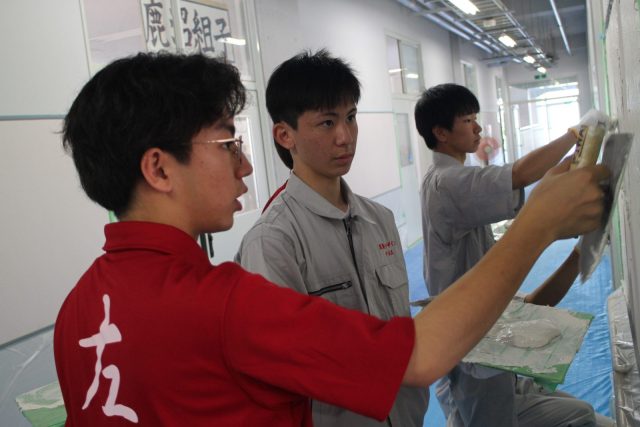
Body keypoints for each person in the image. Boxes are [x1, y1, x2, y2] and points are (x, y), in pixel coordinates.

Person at [54, 52, 607, 426]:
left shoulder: (78, 309)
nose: (246, 165)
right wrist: (537, 225)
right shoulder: (229, 297)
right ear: (159, 169)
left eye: (351, 118)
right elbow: (415, 355)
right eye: (227, 145)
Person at [234, 50, 429, 427]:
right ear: (285, 135)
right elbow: (281, 371)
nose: (345, 136)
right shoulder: (273, 242)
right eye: (327, 123)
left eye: (350, 117)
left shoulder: (379, 219)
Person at [414, 83, 612, 427]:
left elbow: (533, 301)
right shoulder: (447, 182)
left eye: (476, 119)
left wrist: (580, 248)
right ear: (441, 133)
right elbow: (518, 175)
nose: (478, 128)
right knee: (576, 416)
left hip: (484, 346)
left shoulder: (451, 180)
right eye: (467, 120)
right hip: (472, 351)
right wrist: (575, 134)